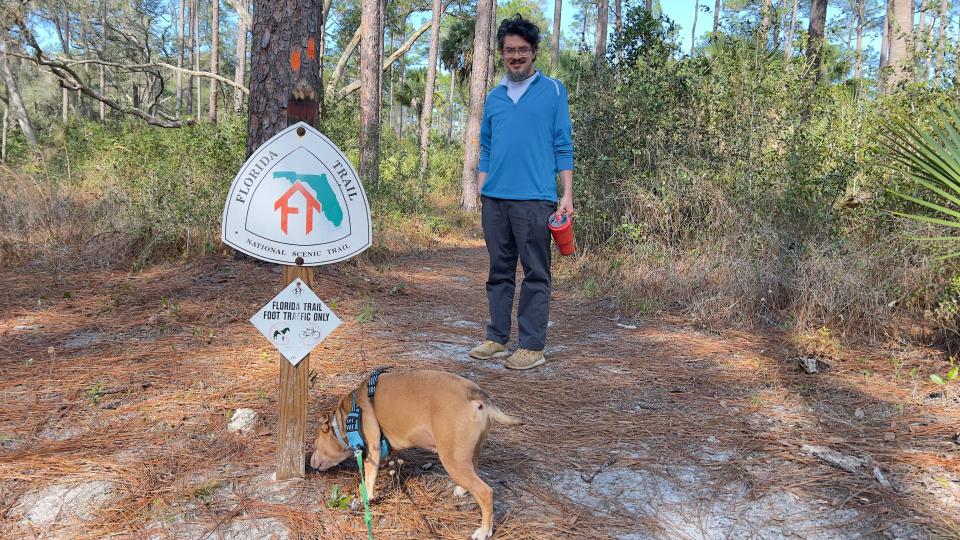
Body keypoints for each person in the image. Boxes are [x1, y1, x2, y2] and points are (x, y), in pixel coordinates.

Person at [468, 14, 574, 371]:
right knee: (499, 271)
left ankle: (532, 345)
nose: (516, 56)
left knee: (535, 272)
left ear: (534, 53)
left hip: (535, 199)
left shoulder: (554, 91)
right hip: (495, 199)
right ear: (501, 52)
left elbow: (563, 145)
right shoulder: (494, 98)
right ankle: (497, 338)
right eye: (510, 50)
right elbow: (485, 145)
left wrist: (567, 194)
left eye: (523, 50)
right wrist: (483, 185)